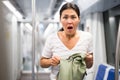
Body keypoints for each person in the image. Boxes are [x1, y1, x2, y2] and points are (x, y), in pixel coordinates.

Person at [40, 2, 93, 80]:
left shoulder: (87, 37)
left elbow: (89, 65)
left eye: (73, 17)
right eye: (65, 17)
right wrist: (51, 61)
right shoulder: (52, 39)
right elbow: (42, 63)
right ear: (60, 19)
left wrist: (89, 60)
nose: (69, 21)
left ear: (79, 19)